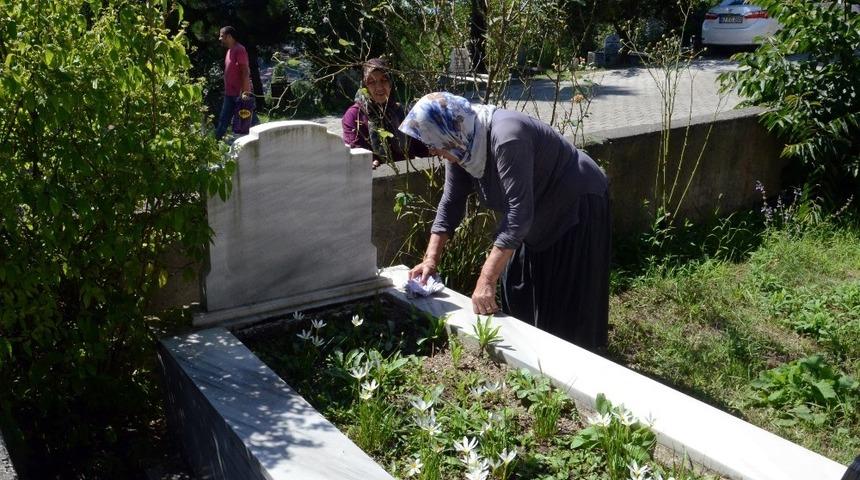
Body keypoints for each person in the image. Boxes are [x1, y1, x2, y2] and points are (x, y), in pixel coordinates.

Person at [399, 92, 610, 351]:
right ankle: (534, 356)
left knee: (566, 302)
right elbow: (451, 201)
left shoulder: (507, 137)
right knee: (519, 290)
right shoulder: (462, 145)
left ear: (448, 130)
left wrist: (486, 278)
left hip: (575, 204)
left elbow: (518, 213)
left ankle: (574, 369)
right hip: (535, 216)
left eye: (433, 144)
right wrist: (431, 259)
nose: (433, 151)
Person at [341, 58, 428, 168]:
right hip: (375, 180)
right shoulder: (354, 116)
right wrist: (365, 161)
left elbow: (421, 147)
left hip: (407, 177)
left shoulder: (402, 112)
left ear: (390, 83)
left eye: (384, 80)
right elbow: (355, 152)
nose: (379, 87)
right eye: (371, 82)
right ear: (365, 86)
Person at [215, 26, 256, 140]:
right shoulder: (229, 51)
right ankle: (214, 146)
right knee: (223, 120)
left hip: (240, 94)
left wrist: (246, 92)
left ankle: (263, 140)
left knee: (251, 122)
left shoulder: (240, 50)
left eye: (222, 36)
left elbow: (245, 71)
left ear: (229, 36)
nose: (220, 39)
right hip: (230, 93)